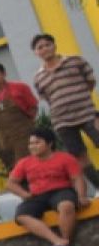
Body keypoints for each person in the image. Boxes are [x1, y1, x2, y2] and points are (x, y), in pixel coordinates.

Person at [7, 128, 91, 246]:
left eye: (37, 143)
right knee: (22, 216)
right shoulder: (24, 162)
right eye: (31, 143)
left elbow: (77, 178)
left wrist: (82, 196)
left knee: (66, 205)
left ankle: (66, 242)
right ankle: (57, 241)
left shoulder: (65, 158)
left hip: (61, 191)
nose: (32, 146)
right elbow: (10, 183)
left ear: (50, 143)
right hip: (38, 196)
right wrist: (25, 194)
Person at [31, 33, 99, 189]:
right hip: (62, 121)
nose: (45, 49)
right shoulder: (38, 78)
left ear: (54, 46)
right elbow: (48, 98)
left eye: (47, 44)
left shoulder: (76, 61)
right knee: (80, 156)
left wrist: (78, 98)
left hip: (87, 114)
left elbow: (90, 82)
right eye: (40, 47)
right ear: (36, 53)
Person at [0, 62, 39, 170]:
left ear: (4, 74)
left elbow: (33, 107)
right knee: (14, 169)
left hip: (25, 135)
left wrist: (28, 126)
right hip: (4, 141)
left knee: (31, 164)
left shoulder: (20, 87)